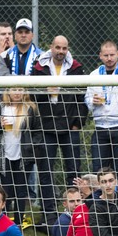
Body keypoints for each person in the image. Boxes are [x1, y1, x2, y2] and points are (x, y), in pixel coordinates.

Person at [32, 35, 88, 212]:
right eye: (58, 48)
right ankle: (48, 214)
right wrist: (45, 91)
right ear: (51, 47)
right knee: (45, 171)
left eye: (64, 48)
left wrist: (77, 123)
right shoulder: (39, 67)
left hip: (69, 126)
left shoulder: (76, 68)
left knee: (73, 171)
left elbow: (82, 98)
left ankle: (76, 211)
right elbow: (32, 95)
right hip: (46, 126)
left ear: (68, 49)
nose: (61, 52)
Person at [0, 88, 36, 226]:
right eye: (14, 89)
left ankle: (19, 223)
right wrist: (0, 125)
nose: (17, 92)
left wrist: (32, 148)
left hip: (23, 156)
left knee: (21, 191)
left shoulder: (30, 108)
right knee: (6, 190)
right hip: (4, 156)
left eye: (20, 89)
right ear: (8, 91)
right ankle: (3, 222)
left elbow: (37, 131)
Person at [85, 40, 118, 175]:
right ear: (100, 56)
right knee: (99, 169)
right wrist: (92, 101)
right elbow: (87, 100)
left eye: (112, 55)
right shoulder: (94, 75)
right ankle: (100, 195)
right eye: (106, 55)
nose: (109, 58)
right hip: (100, 128)